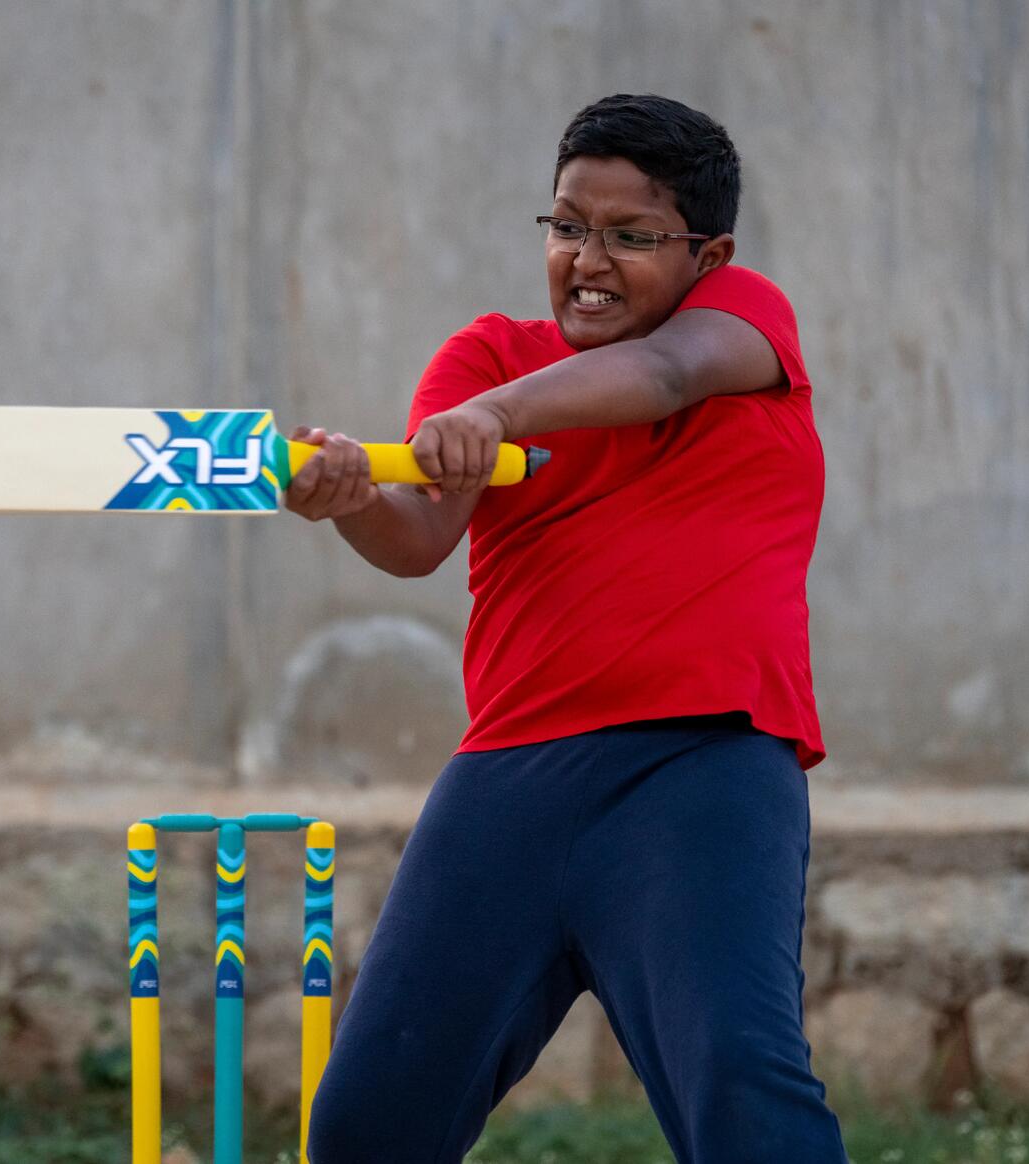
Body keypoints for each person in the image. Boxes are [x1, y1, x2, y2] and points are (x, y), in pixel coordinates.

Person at [294, 93, 847, 1164]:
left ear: (708, 254)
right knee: (367, 1121)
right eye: (566, 226)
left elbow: (660, 376)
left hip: (703, 767)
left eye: (631, 236)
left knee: (743, 1085)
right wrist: (352, 494)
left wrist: (498, 418)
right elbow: (417, 539)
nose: (587, 260)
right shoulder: (484, 356)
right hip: (509, 782)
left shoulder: (743, 326)